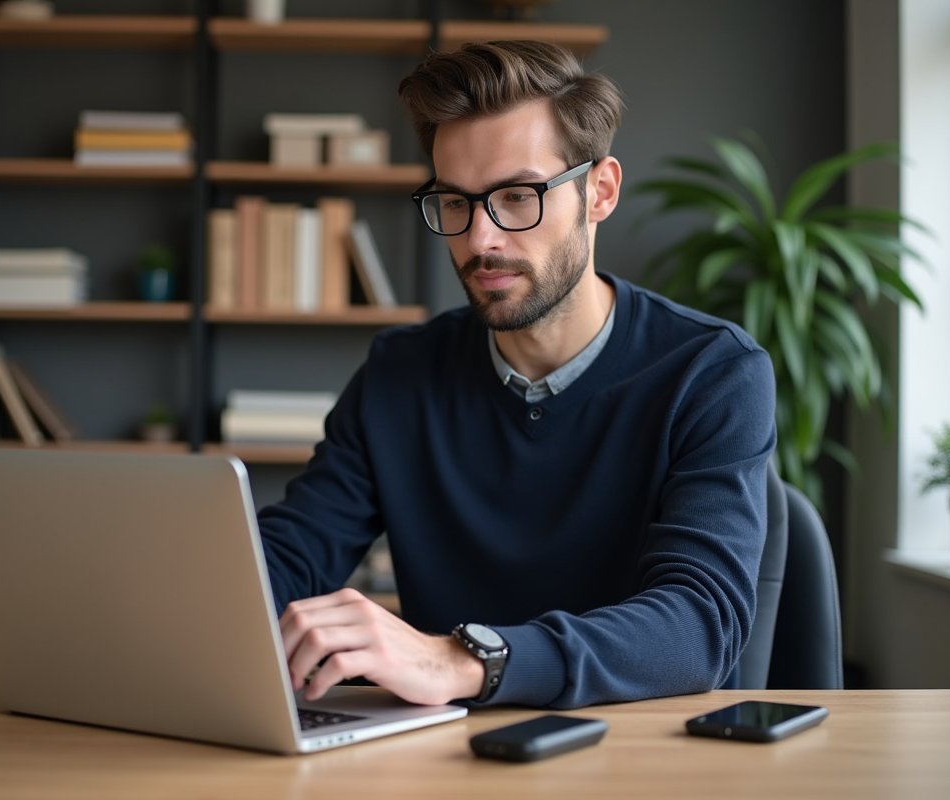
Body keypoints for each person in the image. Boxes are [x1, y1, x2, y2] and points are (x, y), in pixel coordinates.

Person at [258, 40, 776, 710]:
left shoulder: (711, 373)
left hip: (647, 753)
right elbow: (291, 556)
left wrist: (464, 658)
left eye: (517, 195)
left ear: (601, 191)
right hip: (448, 756)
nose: (481, 239)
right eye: (454, 203)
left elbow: (699, 624)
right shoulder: (400, 373)